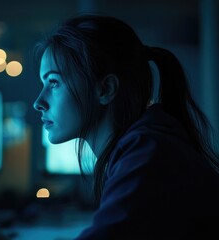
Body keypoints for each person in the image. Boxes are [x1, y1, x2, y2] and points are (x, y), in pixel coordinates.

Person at [32, 14, 219, 239]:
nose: (38, 102)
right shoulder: (143, 146)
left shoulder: (148, 153)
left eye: (54, 82)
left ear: (106, 89)